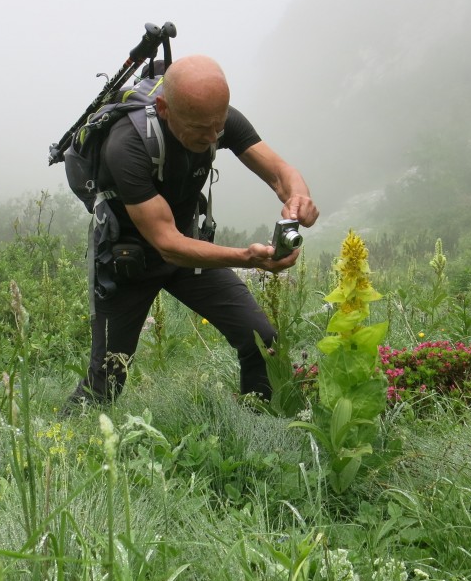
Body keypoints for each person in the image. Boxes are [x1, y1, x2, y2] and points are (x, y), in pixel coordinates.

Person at [66, 54, 319, 408]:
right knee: (105, 380)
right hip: (126, 264)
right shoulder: (128, 145)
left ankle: (260, 424)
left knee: (262, 339)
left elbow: (279, 171)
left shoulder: (215, 118)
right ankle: (61, 449)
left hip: (190, 252)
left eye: (218, 125)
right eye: (200, 128)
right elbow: (167, 244)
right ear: (164, 108)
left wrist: (299, 197)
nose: (213, 136)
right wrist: (248, 258)